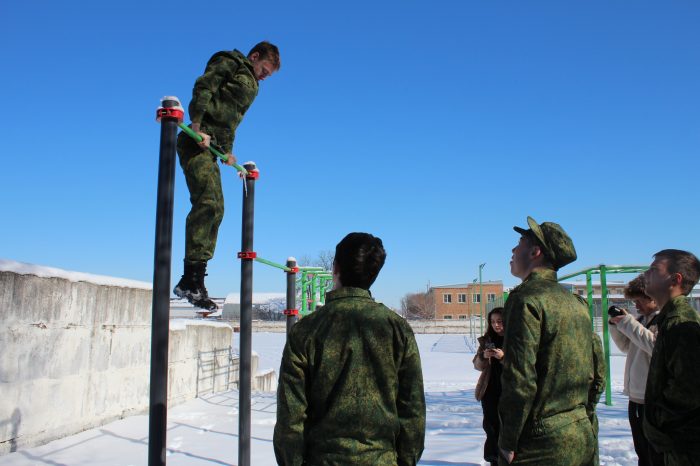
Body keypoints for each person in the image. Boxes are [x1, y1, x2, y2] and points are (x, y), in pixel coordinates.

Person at [273, 233, 426, 466]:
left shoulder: (306, 330)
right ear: (375, 273)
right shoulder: (397, 329)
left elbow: (290, 417)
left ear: (335, 267)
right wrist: (405, 460)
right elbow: (412, 410)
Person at [173, 41, 281, 310]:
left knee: (217, 208)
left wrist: (228, 151)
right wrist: (196, 125)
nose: (265, 76)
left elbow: (232, 119)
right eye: (265, 69)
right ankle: (190, 281)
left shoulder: (253, 84)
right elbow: (205, 87)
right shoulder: (230, 62)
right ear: (254, 56)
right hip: (197, 140)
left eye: (269, 74)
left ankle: (194, 278)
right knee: (209, 203)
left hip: (213, 147)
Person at [498, 216, 604, 465]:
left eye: (520, 242)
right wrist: (585, 415)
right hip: (580, 431)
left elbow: (520, 378)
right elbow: (598, 368)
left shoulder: (526, 299)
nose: (513, 250)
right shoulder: (577, 303)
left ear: (535, 252)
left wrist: (508, 440)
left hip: (541, 441)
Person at [642, 249, 700, 466]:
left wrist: (657, 420)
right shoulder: (669, 320)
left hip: (682, 448)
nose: (645, 274)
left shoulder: (681, 324)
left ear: (675, 280)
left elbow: (688, 391)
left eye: (654, 270)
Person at [608, 275, 663, 466]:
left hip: (652, 399)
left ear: (653, 298)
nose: (636, 306)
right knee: (642, 452)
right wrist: (616, 326)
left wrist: (629, 323)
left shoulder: (663, 321)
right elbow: (627, 347)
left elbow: (655, 347)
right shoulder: (641, 319)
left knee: (654, 454)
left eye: (639, 301)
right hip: (636, 397)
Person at [474, 307, 506, 466]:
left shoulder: (516, 339)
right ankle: (493, 459)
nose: (496, 325)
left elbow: (522, 366)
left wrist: (503, 357)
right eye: (493, 322)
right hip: (489, 389)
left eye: (499, 321)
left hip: (509, 391)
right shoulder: (487, 340)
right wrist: (483, 356)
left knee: (506, 427)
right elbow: (477, 365)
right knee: (490, 426)